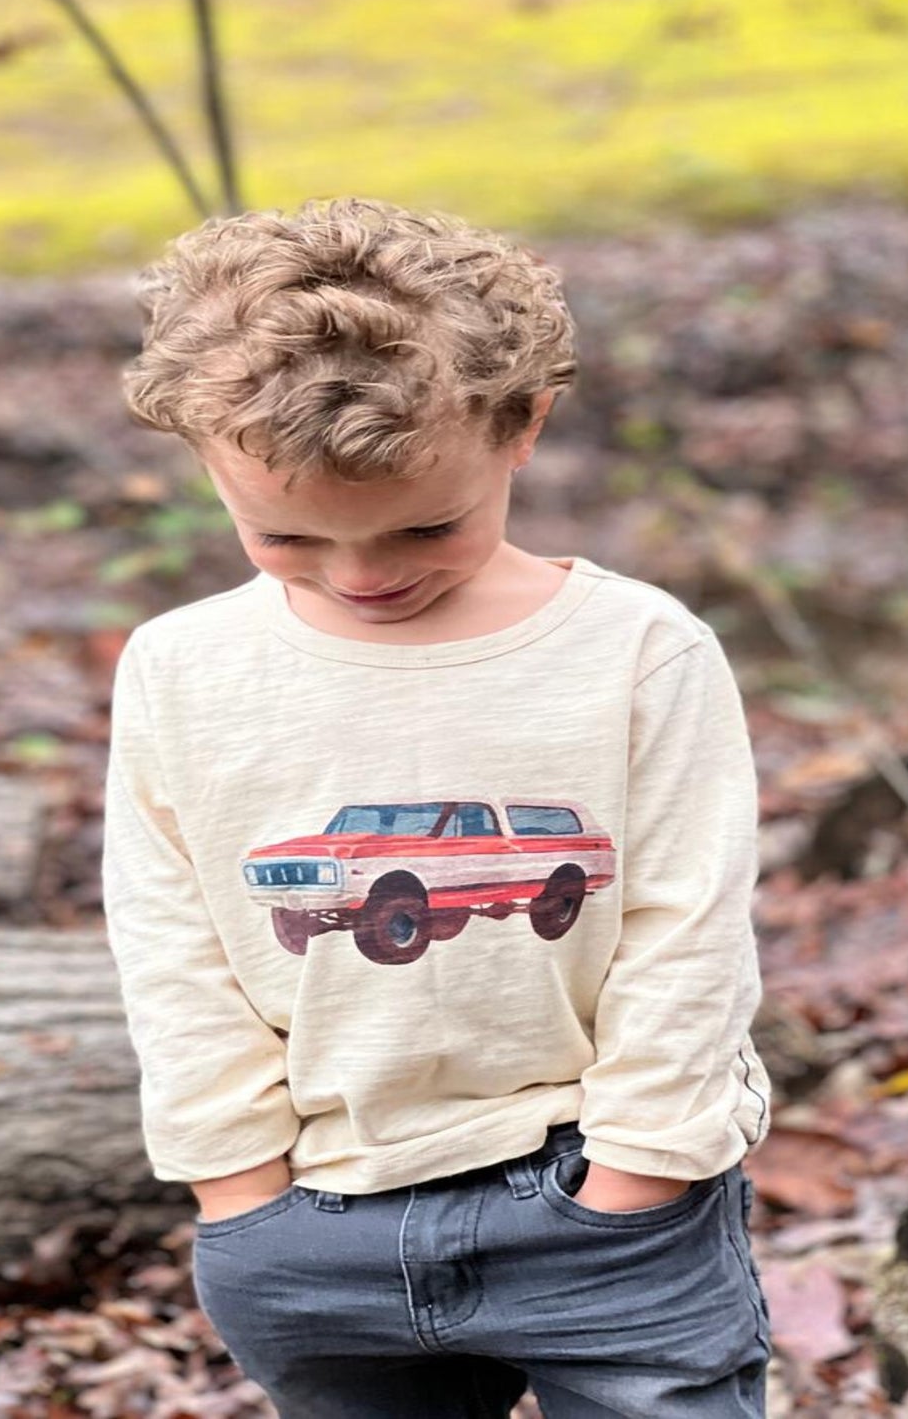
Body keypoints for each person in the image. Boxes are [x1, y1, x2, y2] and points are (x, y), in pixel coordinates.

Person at [102, 197, 773, 1419]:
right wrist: (236, 1186)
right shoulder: (180, 669)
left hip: (597, 1198)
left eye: (425, 526)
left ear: (523, 425)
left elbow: (689, 927)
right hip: (313, 1212)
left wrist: (634, 1175)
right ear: (206, 461)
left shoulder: (635, 651)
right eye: (284, 533)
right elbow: (172, 942)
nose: (364, 575)